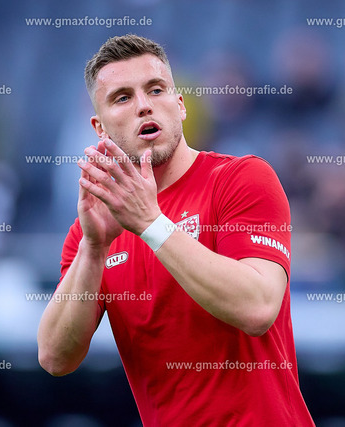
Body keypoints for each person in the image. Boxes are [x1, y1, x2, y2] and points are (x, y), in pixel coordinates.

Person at [37, 34, 314, 426]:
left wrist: (151, 224)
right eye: (122, 98)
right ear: (100, 128)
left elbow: (257, 307)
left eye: (156, 90)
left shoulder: (242, 179)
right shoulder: (93, 232)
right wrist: (93, 250)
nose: (144, 105)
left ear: (180, 105)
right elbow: (55, 357)